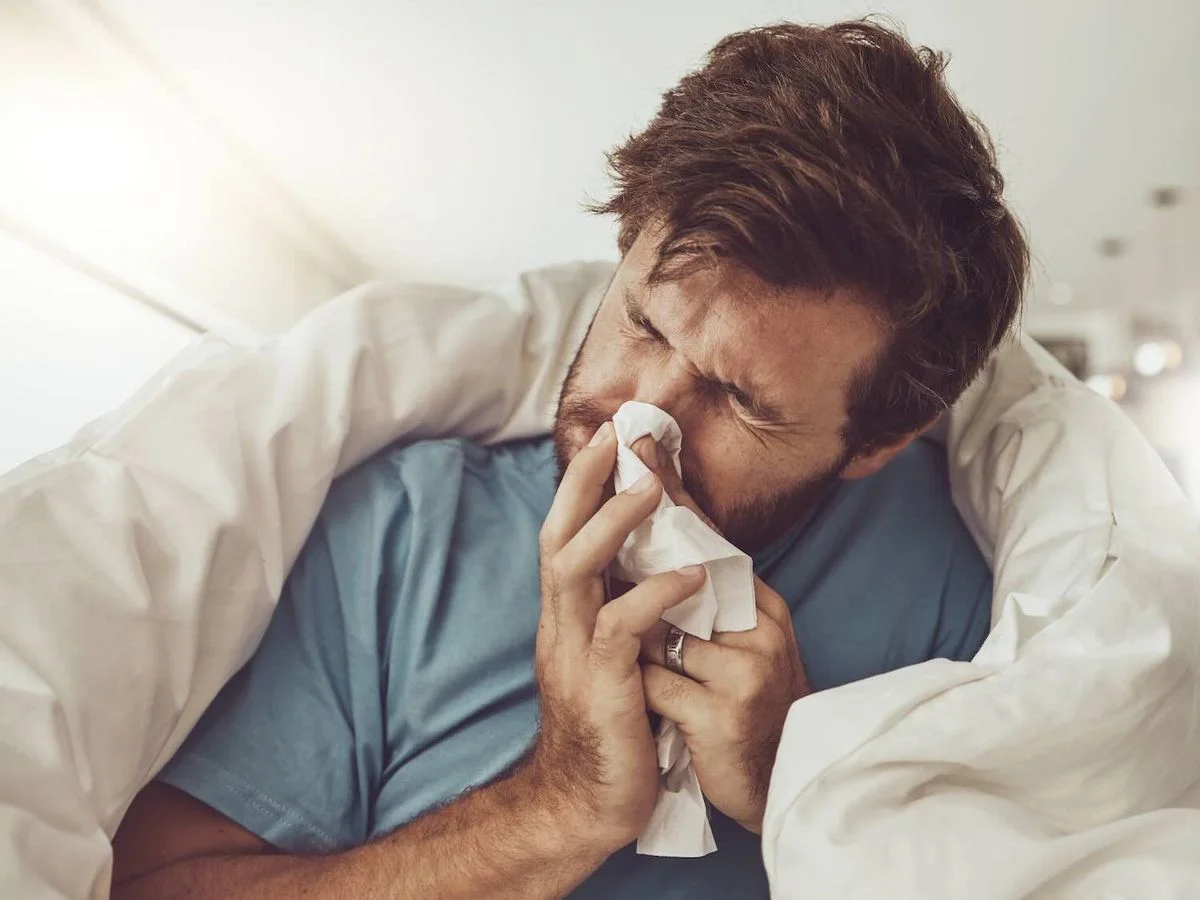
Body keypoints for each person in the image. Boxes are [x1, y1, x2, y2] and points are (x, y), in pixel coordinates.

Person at [111, 19, 1027, 900]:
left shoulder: (964, 589)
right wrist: (556, 805)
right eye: (641, 321)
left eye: (740, 401)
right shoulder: (399, 529)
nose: (639, 418)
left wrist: (809, 790)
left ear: (876, 442)